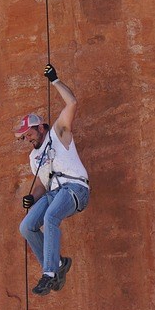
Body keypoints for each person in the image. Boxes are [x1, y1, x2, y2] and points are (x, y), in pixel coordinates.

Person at [16, 64, 91, 295]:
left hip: (76, 189)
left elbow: (72, 103)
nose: (28, 139)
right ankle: (57, 264)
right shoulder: (34, 156)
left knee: (50, 217)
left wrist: (55, 80)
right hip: (53, 193)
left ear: (40, 128)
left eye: (29, 134)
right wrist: (31, 197)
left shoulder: (59, 133)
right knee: (26, 227)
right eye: (24, 137)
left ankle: (50, 274)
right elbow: (41, 184)